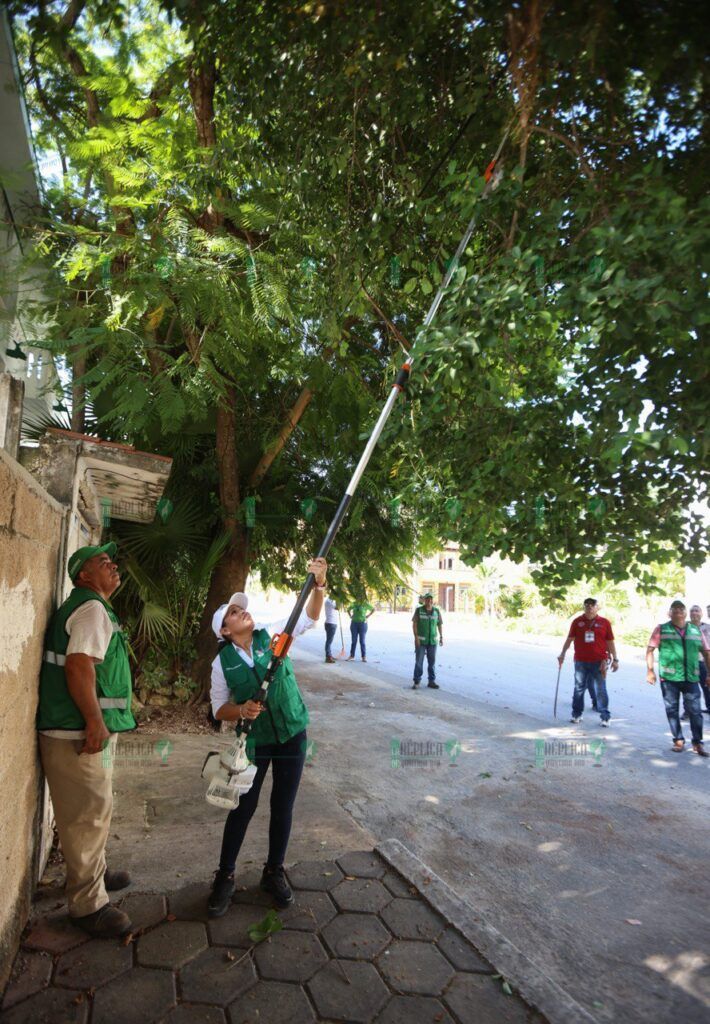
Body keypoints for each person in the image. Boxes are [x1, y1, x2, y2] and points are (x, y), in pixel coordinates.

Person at [207, 557, 327, 917]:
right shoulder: (221, 663)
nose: (242, 612)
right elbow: (217, 709)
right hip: (256, 742)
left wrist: (318, 585)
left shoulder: (273, 634)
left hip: (292, 732)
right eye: (232, 612)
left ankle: (274, 872)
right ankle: (224, 877)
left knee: (283, 806)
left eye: (241, 609)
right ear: (225, 631)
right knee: (243, 807)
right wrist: (241, 710)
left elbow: (309, 618)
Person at [37, 543, 135, 938]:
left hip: (78, 731)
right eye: (102, 562)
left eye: (111, 561)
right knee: (87, 815)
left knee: (94, 810)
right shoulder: (92, 609)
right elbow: (79, 667)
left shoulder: (93, 606)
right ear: (83, 576)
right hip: (77, 733)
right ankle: (87, 905)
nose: (112, 566)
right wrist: (94, 722)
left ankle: (94, 872)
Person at [646, 600, 709, 756]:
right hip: (669, 679)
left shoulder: (696, 631)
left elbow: (707, 653)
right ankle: (678, 740)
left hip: (691, 678)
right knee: (672, 710)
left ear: (685, 613)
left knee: (695, 712)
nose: (678, 611)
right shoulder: (661, 629)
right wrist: (650, 671)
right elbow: (650, 650)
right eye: (674, 609)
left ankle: (698, 743)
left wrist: (709, 673)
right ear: (670, 612)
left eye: (681, 609)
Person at [558, 598, 618, 726]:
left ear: (597, 607)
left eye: (592, 605)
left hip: (600, 661)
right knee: (579, 688)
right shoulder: (577, 622)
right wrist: (562, 653)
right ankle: (576, 714)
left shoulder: (604, 622)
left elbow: (610, 641)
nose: (589, 607)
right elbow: (569, 639)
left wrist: (615, 659)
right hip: (581, 661)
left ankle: (605, 717)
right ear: (584, 607)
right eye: (587, 605)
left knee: (601, 689)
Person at [411, 591, 444, 690]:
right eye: (427, 599)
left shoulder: (436, 611)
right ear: (424, 600)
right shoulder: (419, 610)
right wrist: (416, 637)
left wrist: (441, 636)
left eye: (431, 599)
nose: (429, 601)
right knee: (419, 662)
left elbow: (439, 624)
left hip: (433, 641)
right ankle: (416, 681)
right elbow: (414, 624)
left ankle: (431, 681)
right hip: (421, 641)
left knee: (432, 662)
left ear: (432, 601)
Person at [689, 605, 710, 715]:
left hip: (703, 661)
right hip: (689, 663)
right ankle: (688, 711)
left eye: (697, 610)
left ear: (701, 614)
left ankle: (709, 707)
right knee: (688, 687)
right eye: (692, 611)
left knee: (706, 686)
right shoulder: (685, 627)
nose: (694, 613)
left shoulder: (707, 627)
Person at [347, 594, 374, 662]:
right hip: (354, 624)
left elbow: (373, 609)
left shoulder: (365, 604)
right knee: (354, 641)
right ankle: (352, 656)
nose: (359, 597)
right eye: (358, 596)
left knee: (362, 641)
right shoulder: (354, 603)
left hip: (362, 624)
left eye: (360, 596)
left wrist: (368, 616)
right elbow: (348, 609)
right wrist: (350, 616)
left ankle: (363, 657)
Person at [324, 596, 338, 663]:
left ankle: (329, 655)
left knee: (329, 641)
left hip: (330, 622)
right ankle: (328, 656)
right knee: (329, 641)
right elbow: (338, 607)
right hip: (331, 623)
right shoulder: (329, 601)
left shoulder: (330, 601)